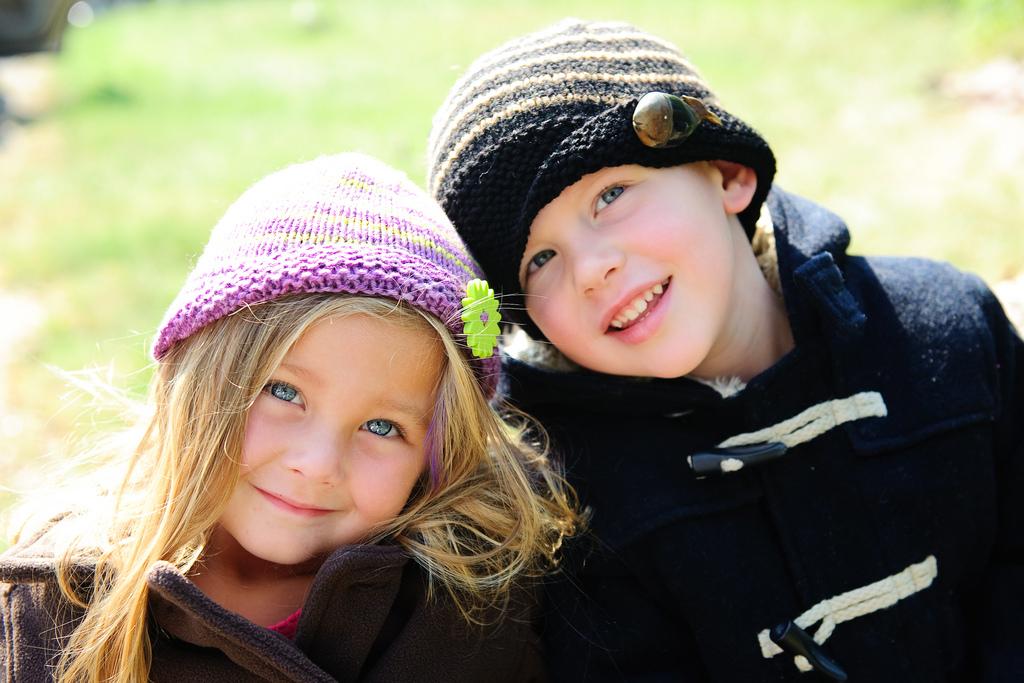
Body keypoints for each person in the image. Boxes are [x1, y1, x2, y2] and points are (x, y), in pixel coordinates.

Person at [426, 18, 1023, 682]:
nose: (591, 269)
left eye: (611, 194)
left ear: (728, 174)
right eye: (540, 258)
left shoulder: (945, 330)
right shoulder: (568, 495)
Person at [0, 152, 579, 682]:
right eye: (283, 392)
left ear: (436, 458)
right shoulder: (62, 597)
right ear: (195, 377)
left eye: (383, 428)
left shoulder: (464, 610)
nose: (317, 464)